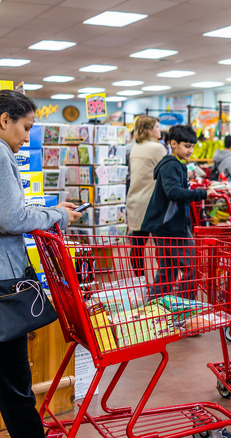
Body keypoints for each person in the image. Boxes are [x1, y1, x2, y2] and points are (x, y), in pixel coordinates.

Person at [0, 89, 81, 438]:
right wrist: (58, 215)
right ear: (4, 120)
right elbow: (11, 217)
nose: (27, 137)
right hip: (4, 285)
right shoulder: (1, 154)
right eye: (27, 127)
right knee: (15, 380)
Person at [140, 125, 216, 299]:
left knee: (168, 272)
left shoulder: (173, 164)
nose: (190, 150)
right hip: (172, 227)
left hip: (164, 226)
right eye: (187, 146)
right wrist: (203, 193)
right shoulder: (171, 166)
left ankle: (157, 308)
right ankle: (182, 308)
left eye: (192, 146)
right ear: (173, 143)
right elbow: (173, 192)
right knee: (192, 269)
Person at [126, 115, 165, 277]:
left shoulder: (135, 147)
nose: (160, 129)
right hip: (153, 201)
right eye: (157, 127)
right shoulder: (157, 148)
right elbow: (166, 173)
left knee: (137, 245)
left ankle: (139, 281)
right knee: (161, 246)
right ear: (149, 130)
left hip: (135, 200)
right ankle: (162, 281)